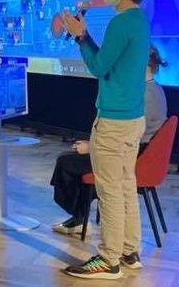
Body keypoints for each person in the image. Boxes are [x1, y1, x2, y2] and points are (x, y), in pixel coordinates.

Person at [62, 0, 153, 280]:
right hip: (132, 118)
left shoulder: (121, 23)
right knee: (126, 185)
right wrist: (85, 36)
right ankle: (128, 250)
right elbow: (112, 62)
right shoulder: (139, 19)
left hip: (113, 121)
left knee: (110, 190)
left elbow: (99, 67)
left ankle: (108, 259)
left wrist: (81, 37)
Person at [50, 46, 168, 235]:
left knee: (66, 163)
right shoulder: (154, 89)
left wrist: (91, 148)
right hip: (136, 153)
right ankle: (79, 216)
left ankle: (79, 216)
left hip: (130, 157)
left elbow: (127, 135)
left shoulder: (144, 95)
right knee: (72, 160)